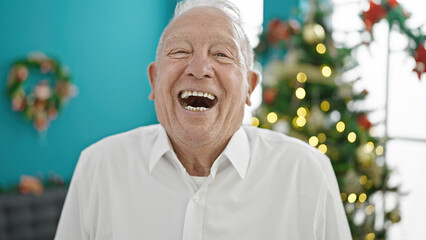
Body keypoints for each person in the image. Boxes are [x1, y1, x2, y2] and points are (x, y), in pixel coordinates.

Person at [55, 0, 352, 239]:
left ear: (249, 86)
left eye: (221, 54)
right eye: (181, 51)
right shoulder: (98, 166)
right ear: (153, 80)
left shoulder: (307, 172)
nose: (199, 68)